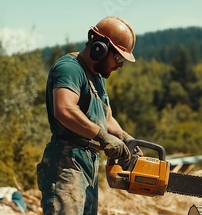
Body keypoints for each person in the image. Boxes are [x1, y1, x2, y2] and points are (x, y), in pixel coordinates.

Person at [37, 16, 140, 215]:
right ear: (99, 47)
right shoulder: (70, 68)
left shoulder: (98, 78)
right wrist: (102, 137)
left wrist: (126, 140)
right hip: (66, 164)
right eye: (118, 58)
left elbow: (107, 118)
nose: (120, 65)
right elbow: (64, 109)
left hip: (88, 165)